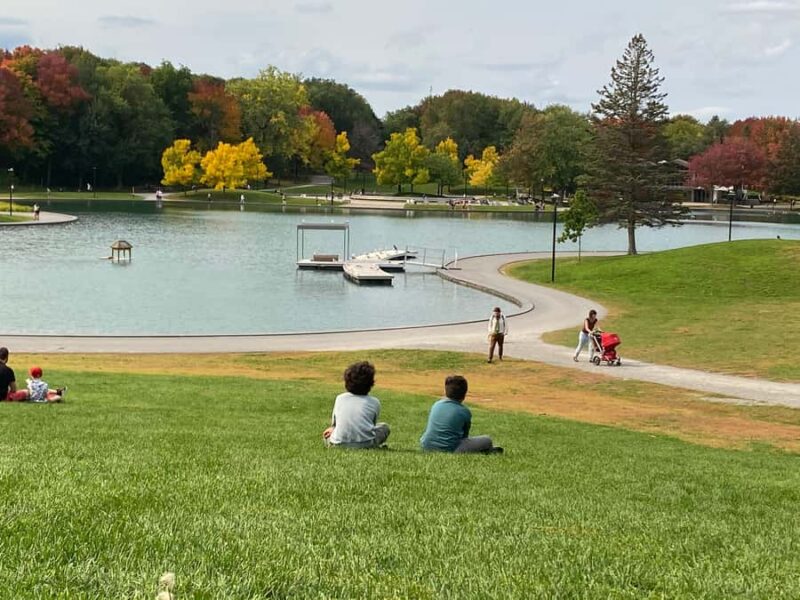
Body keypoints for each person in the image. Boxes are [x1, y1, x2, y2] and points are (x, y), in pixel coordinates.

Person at [420, 375, 502, 454]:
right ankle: (486, 450)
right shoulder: (464, 411)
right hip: (450, 449)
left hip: (426, 445)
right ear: (464, 395)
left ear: (445, 391)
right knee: (487, 440)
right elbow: (464, 437)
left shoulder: (436, 404)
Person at [323, 361, 390, 449]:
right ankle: (374, 446)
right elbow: (371, 425)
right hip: (366, 444)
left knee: (328, 433)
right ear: (371, 383)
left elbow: (335, 424)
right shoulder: (374, 402)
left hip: (339, 444)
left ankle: (333, 444)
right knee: (384, 428)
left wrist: (333, 430)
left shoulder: (340, 398)